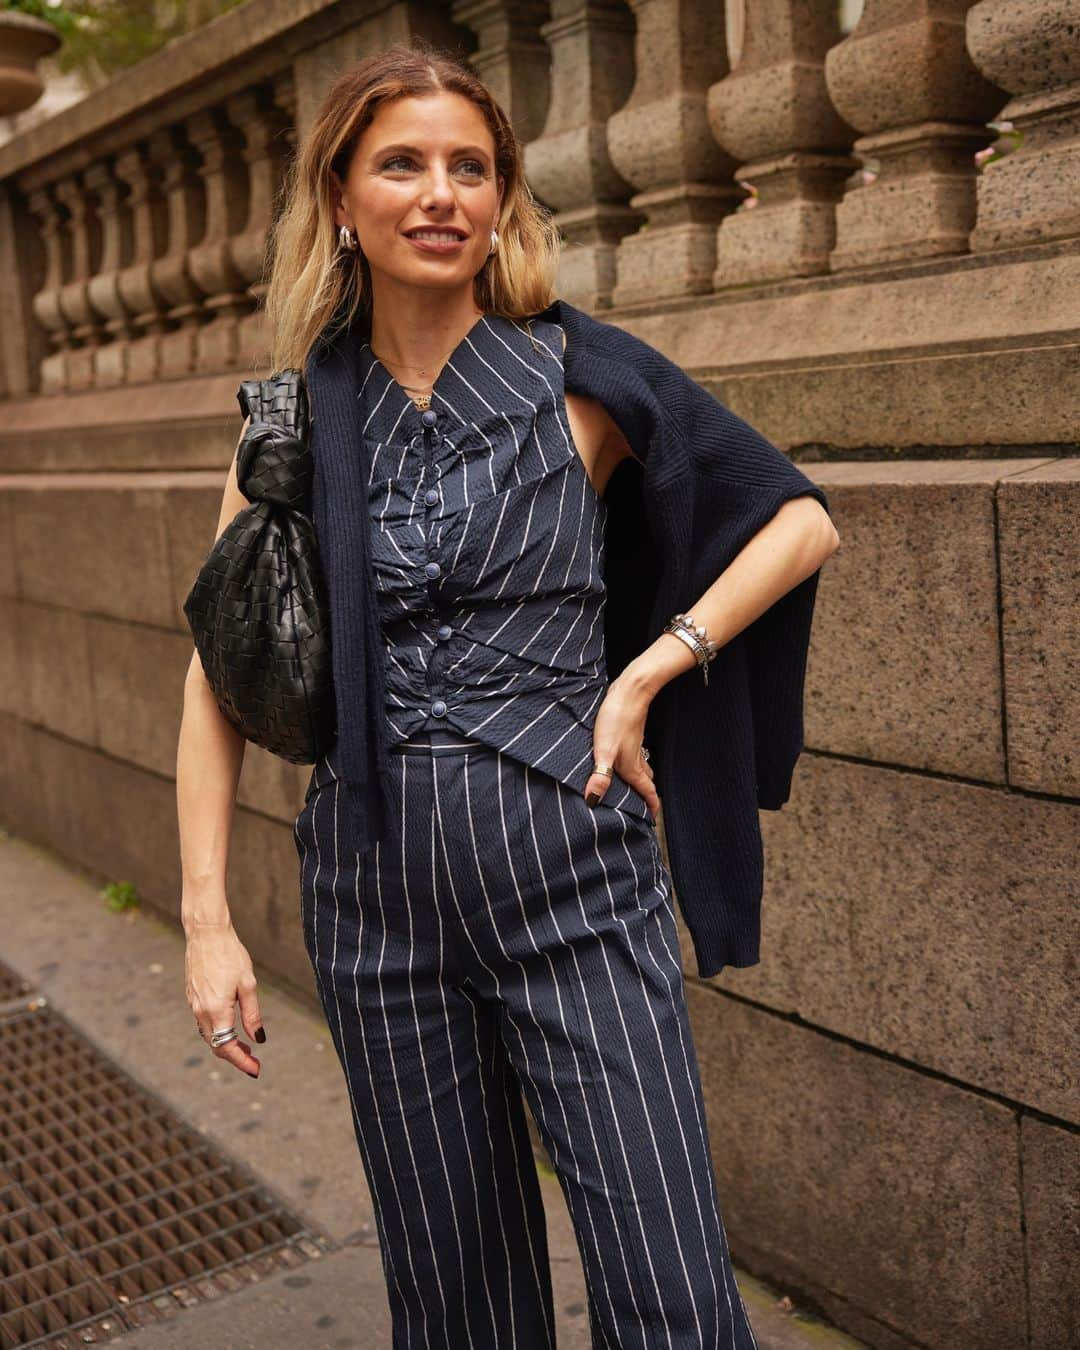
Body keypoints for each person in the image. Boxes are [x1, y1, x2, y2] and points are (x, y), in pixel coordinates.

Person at [176, 40, 838, 1350]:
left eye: (470, 168)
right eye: (402, 165)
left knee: (668, 1295)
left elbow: (798, 520)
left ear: (502, 198)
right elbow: (217, 675)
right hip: (374, 905)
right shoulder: (295, 422)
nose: (441, 195)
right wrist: (206, 922)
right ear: (343, 203)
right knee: (458, 1302)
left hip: (571, 881)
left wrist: (654, 666)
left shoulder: (580, 382)